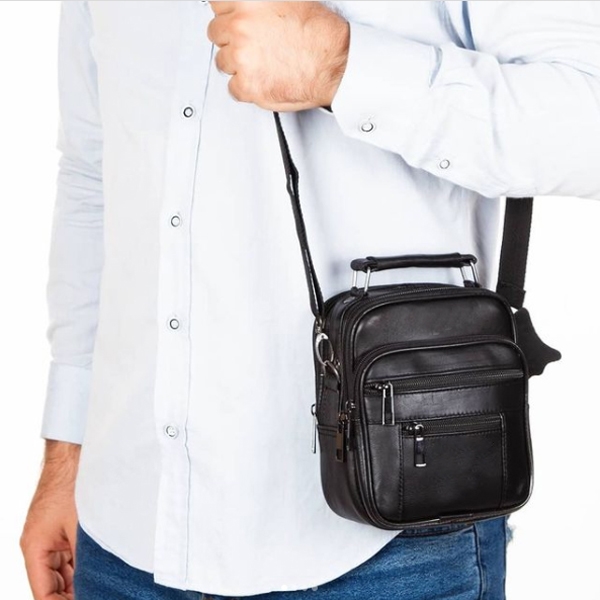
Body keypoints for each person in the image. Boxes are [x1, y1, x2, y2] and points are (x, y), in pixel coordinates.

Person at [19, 1, 600, 599]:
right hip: (125, 531)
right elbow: (93, 176)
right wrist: (66, 463)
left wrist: (344, 67)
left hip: (394, 534)